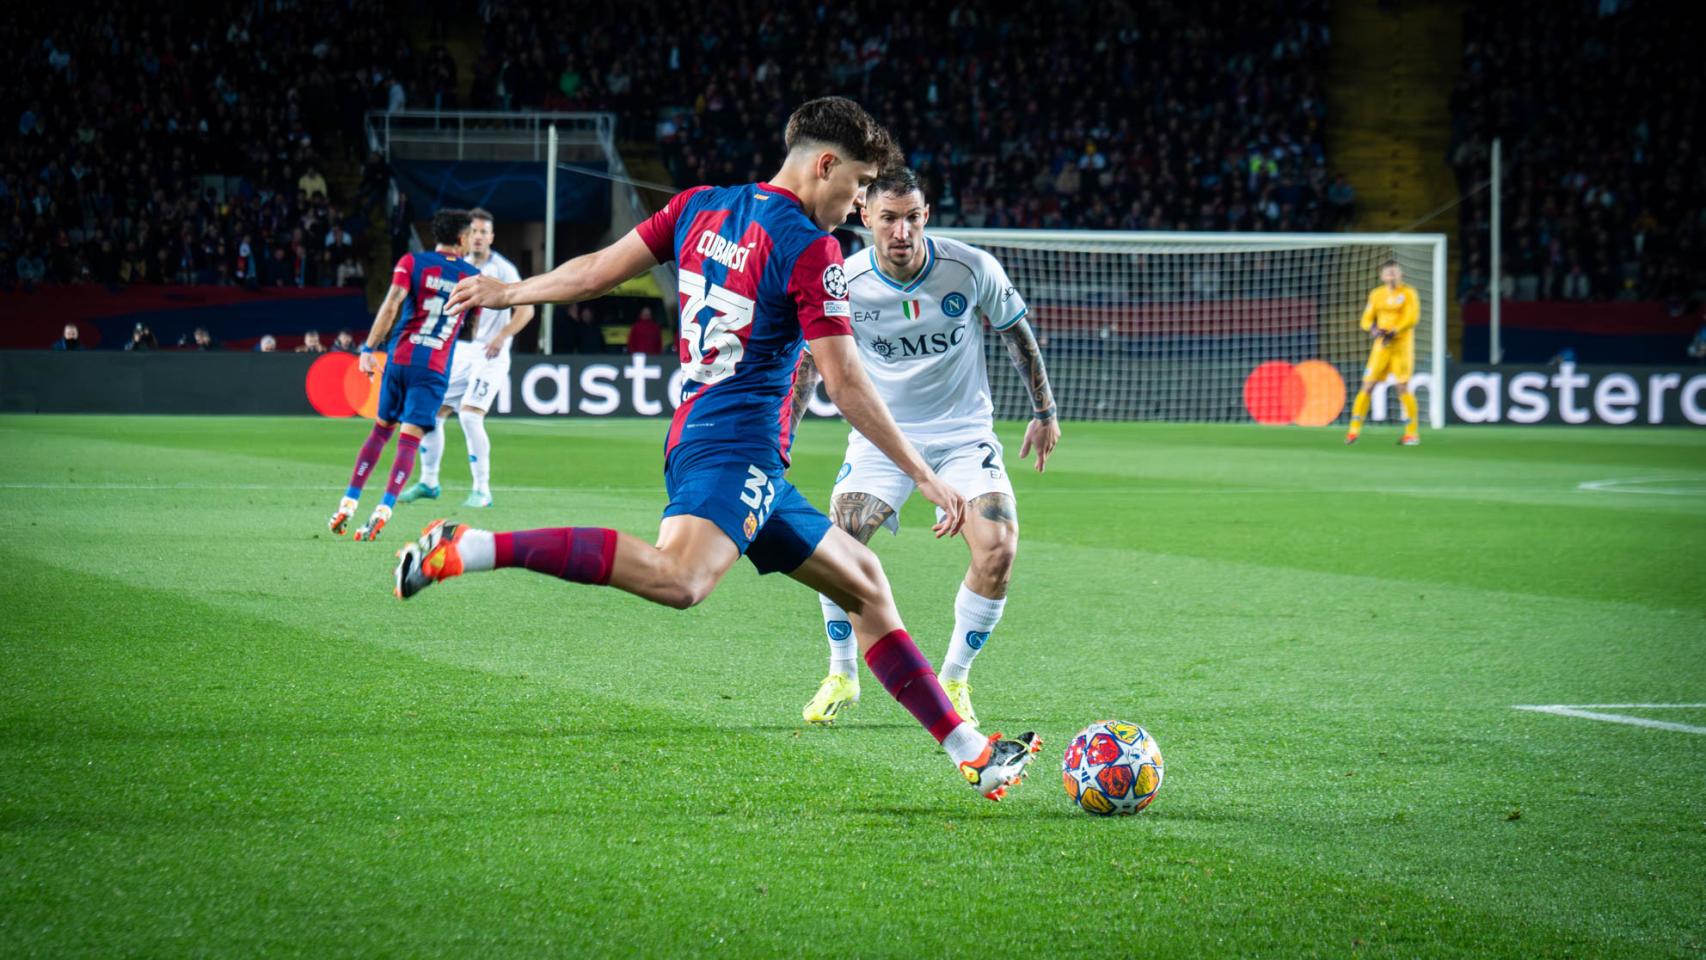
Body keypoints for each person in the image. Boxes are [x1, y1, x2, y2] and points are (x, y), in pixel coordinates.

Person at [404, 97, 1040, 801]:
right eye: (858, 186)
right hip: (734, 446)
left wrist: (513, 290)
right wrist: (924, 476)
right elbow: (845, 380)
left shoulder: (697, 206)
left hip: (722, 442)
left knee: (865, 585)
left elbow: (597, 270)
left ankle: (972, 752)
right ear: (825, 166)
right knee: (681, 580)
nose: (856, 203)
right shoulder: (810, 246)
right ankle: (468, 546)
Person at [791, 168, 1060, 727]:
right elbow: (813, 359)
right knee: (838, 541)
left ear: (926, 216)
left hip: (964, 435)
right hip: (883, 436)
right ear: (865, 217)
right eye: (888, 218)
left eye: (912, 217)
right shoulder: (844, 279)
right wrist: (783, 432)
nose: (901, 231)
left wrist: (1044, 411)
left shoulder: (971, 267)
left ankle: (955, 680)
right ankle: (842, 672)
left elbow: (1016, 333)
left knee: (999, 546)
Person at [327, 208, 484, 542]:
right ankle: (383, 509)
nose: (473, 239)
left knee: (381, 431)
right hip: (433, 369)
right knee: (409, 440)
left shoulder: (411, 263)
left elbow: (391, 303)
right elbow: (471, 329)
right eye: (471, 234)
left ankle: (349, 500)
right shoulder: (473, 277)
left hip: (399, 359)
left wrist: (368, 349)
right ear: (460, 238)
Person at [401, 208, 535, 508]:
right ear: (466, 235)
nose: (478, 237)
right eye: (474, 232)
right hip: (460, 353)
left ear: (491, 237)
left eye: (484, 232)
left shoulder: (503, 269)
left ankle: (482, 490)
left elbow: (526, 309)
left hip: (491, 353)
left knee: (471, 416)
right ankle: (429, 482)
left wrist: (502, 336)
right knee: (432, 414)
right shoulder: (457, 266)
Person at [1346, 259, 1421, 446]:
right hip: (1381, 348)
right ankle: (1353, 431)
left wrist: (1395, 330)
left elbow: (1412, 317)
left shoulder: (1408, 293)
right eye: (1388, 272)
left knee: (1402, 387)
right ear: (1382, 276)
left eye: (1395, 272)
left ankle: (1412, 434)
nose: (1392, 275)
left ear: (1401, 274)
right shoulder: (1376, 294)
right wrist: (1373, 330)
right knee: (1367, 385)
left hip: (1401, 348)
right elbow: (1366, 319)